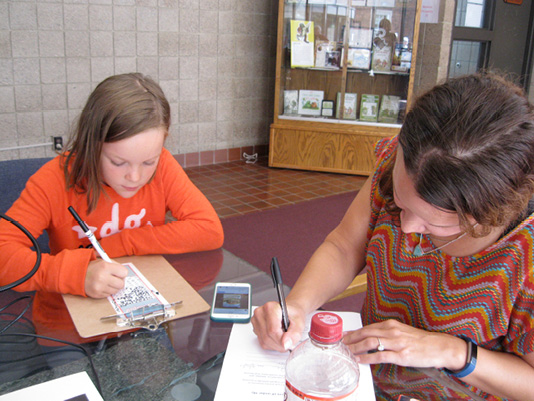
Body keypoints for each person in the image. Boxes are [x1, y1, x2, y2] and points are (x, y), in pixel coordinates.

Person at [252, 73, 534, 401]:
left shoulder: (525, 254)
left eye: (433, 223)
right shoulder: (407, 163)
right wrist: (298, 306)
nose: (408, 228)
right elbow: (345, 246)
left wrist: (455, 352)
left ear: (491, 212)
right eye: (399, 202)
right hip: (365, 384)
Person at [0, 73, 224, 337]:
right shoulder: (53, 180)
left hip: (141, 318)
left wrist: (120, 242)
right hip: (67, 328)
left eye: (148, 162)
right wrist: (75, 273)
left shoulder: (164, 165)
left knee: (178, 378)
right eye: (118, 163)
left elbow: (209, 230)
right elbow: (4, 253)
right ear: (91, 145)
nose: (135, 177)